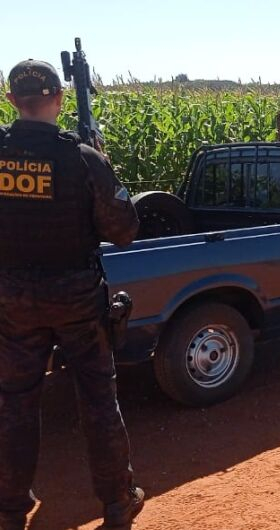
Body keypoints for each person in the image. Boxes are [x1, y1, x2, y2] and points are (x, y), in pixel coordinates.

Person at [0, 60, 143, 530]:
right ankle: (118, 503)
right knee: (99, 398)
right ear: (59, 100)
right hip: (77, 296)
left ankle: (9, 506)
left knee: (15, 401)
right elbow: (124, 231)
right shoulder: (81, 158)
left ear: (10, 99)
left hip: (12, 298)